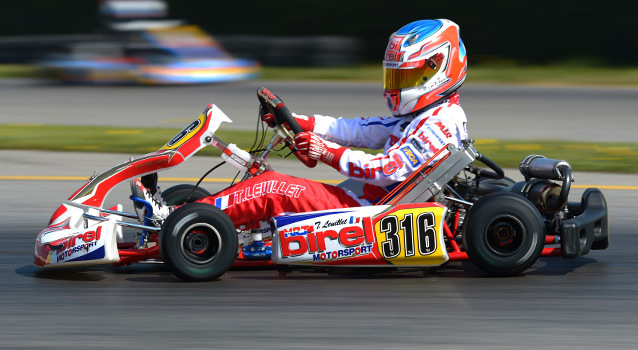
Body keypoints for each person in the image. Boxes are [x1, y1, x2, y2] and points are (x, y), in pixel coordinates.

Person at [131, 18, 469, 231]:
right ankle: (187, 214)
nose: (398, 83)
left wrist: (326, 152)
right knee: (260, 179)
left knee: (272, 188)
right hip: (363, 202)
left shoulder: (440, 123)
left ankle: (174, 224)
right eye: (396, 74)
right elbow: (361, 129)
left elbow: (386, 169)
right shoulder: (423, 115)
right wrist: (303, 123)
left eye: (409, 74)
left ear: (440, 68)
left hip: (370, 215)